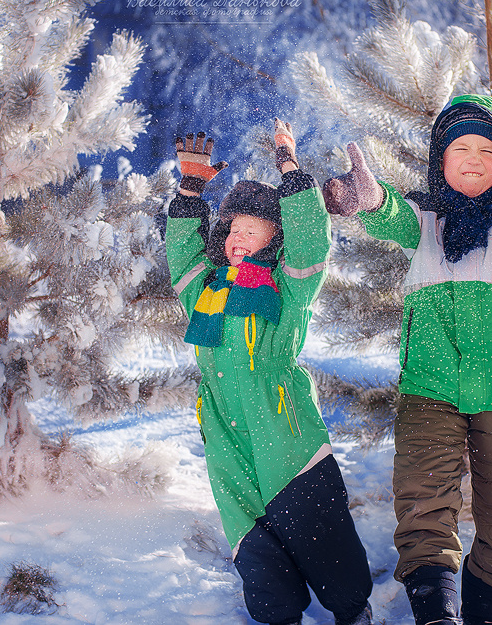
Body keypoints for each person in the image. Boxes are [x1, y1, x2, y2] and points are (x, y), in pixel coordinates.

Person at [322, 95, 492, 625]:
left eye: (486, 149)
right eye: (459, 146)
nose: (472, 157)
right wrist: (370, 199)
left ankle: (484, 609)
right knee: (423, 503)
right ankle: (437, 612)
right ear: (439, 159)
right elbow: (389, 212)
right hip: (430, 387)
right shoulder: (425, 220)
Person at [165, 120, 373, 625]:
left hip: (281, 421)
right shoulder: (206, 291)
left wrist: (289, 167)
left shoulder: (287, 286)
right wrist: (191, 193)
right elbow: (182, 258)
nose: (237, 237)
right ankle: (277, 614)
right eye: (232, 228)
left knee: (313, 518)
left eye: (250, 229)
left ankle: (352, 609)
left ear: (273, 236)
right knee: (250, 530)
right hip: (223, 424)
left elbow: (310, 244)